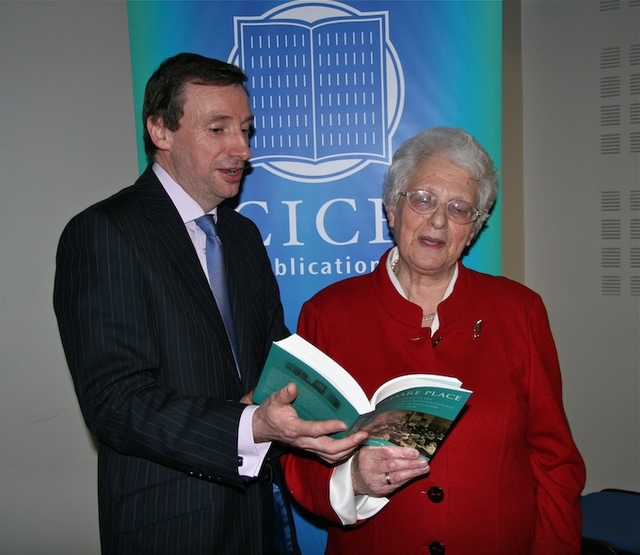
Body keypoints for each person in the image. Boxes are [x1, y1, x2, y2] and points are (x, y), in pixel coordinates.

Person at [53, 52, 364, 555]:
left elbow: (275, 362)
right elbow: (115, 401)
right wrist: (251, 425)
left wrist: (346, 420)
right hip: (169, 526)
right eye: (218, 129)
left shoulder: (241, 236)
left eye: (245, 128)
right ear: (160, 130)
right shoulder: (103, 233)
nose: (242, 148)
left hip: (259, 521)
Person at [282, 127, 586, 554]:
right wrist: (351, 478)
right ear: (392, 208)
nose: (438, 220)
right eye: (423, 199)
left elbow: (555, 462)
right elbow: (297, 454)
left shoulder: (519, 311)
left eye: (460, 208)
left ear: (474, 229)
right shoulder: (329, 314)